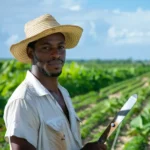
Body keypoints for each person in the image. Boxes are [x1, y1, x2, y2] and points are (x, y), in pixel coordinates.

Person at [3, 14, 107, 150]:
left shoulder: (63, 93)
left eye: (61, 47)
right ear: (30, 53)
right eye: (46, 48)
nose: (56, 54)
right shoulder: (24, 101)